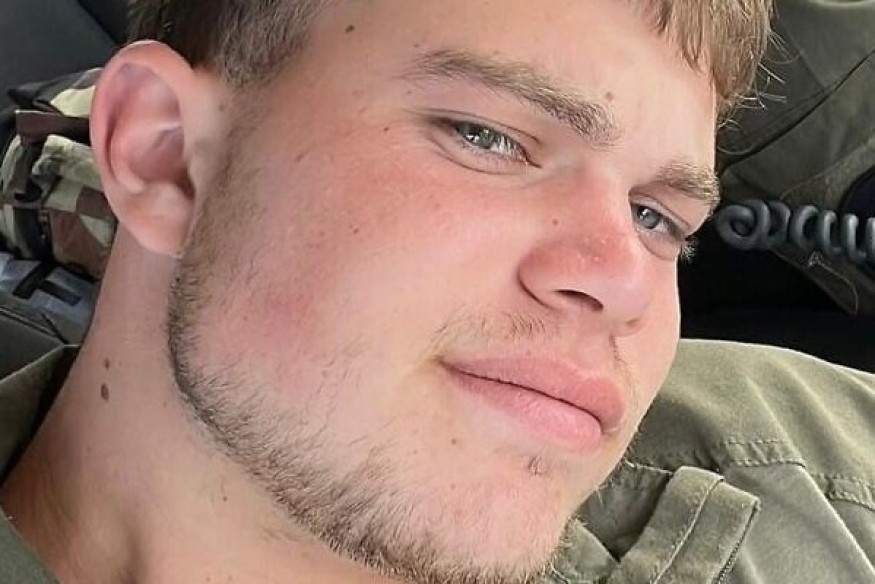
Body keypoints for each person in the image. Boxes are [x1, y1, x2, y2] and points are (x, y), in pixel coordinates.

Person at [2, 1, 872, 582]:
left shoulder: (809, 472)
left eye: (656, 218)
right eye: (486, 137)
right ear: (163, 154)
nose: (622, 282)